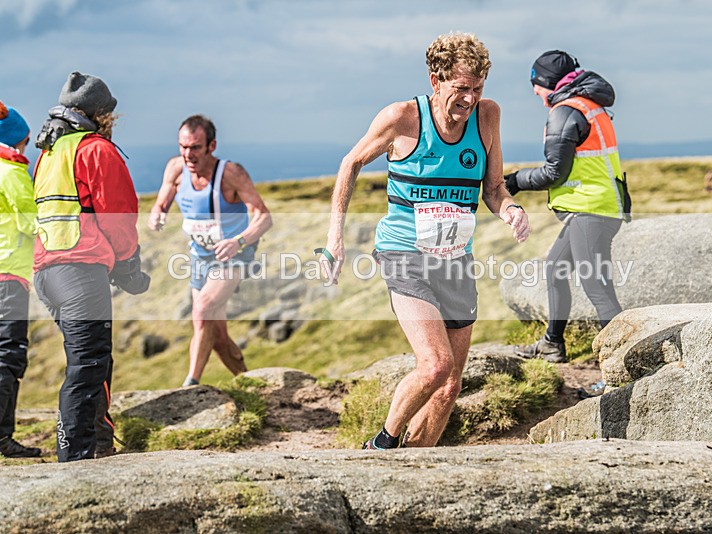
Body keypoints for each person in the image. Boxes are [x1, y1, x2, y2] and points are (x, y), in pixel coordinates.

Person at [320, 32, 529, 449]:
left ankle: (412, 465)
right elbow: (350, 163)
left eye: (477, 88)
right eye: (461, 88)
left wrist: (510, 210)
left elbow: (493, 189)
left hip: (456, 259)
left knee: (449, 386)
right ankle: (382, 443)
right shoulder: (402, 117)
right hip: (404, 254)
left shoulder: (488, 116)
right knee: (435, 365)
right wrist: (334, 237)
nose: (470, 99)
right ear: (436, 80)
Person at [33, 72, 150, 462]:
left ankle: (99, 443)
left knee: (92, 360)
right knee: (87, 365)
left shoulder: (50, 153)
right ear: (100, 114)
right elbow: (119, 218)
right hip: (80, 272)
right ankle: (75, 458)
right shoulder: (95, 149)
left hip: (47, 273)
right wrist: (129, 266)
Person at [504, 50, 629, 363]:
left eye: (536, 84)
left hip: (591, 210)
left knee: (597, 288)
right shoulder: (589, 105)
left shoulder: (565, 111)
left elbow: (554, 173)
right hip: (596, 207)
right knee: (556, 270)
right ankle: (552, 343)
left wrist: (515, 180)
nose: (535, 92)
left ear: (548, 82)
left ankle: (623, 365)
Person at [148, 115, 272, 387]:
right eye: (183, 147)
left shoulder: (231, 174)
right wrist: (157, 214)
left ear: (211, 146)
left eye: (195, 147)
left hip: (234, 254)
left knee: (202, 308)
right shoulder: (175, 168)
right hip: (200, 255)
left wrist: (238, 241)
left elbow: (264, 217)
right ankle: (249, 383)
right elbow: (161, 203)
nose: (187, 154)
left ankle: (190, 384)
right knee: (216, 335)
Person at [0, 101, 41, 458]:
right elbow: (32, 223)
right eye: (26, 141)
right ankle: (1, 438)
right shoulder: (11, 172)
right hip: (9, 275)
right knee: (9, 356)